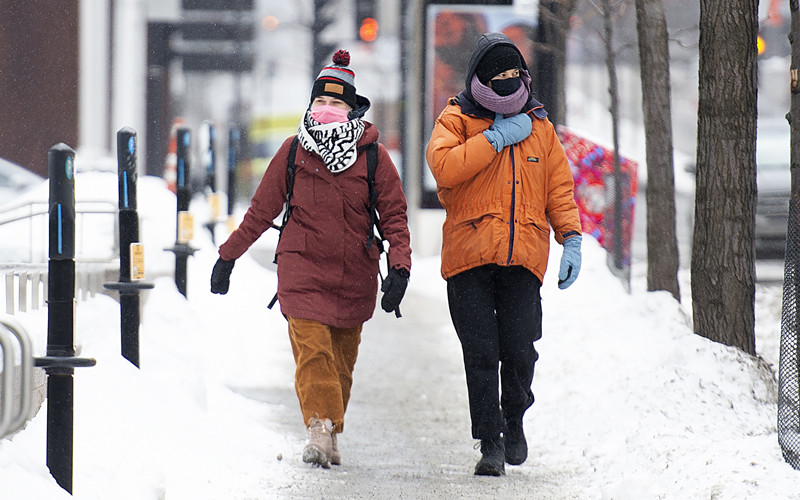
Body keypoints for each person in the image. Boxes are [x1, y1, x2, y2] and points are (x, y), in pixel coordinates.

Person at [210, 50, 412, 468]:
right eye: (320, 101)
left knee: (341, 363)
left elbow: (394, 216)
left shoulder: (373, 156)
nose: (326, 109)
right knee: (313, 353)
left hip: (354, 273)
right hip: (301, 270)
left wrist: (400, 267)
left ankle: (330, 431)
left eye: (336, 103)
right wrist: (227, 257)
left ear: (352, 108)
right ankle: (319, 427)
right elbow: (261, 211)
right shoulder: (292, 152)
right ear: (309, 105)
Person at [426, 33, 582, 476]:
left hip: (523, 257)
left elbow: (559, 189)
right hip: (469, 258)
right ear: (479, 79)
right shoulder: (455, 119)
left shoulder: (541, 128)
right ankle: (489, 442)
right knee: (480, 353)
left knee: (519, 351)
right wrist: (493, 139)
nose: (509, 84)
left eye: (515, 76)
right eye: (499, 78)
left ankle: (514, 420)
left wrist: (570, 237)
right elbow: (444, 169)